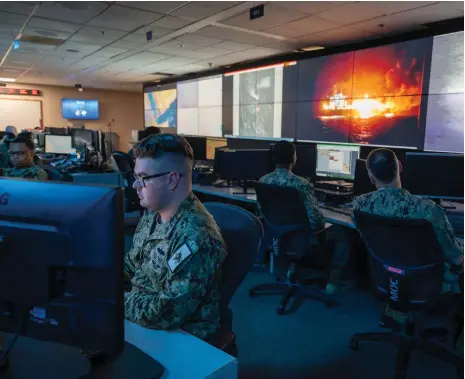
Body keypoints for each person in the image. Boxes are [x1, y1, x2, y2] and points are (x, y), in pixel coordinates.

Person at [124, 133, 227, 340]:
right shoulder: (153, 213)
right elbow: (131, 264)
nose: (135, 186)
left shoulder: (196, 237)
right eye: (135, 177)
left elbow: (167, 312)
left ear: (171, 180)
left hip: (181, 335)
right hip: (139, 316)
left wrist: (115, 300)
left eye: (142, 178)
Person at [353, 148, 463, 294]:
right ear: (400, 166)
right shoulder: (428, 209)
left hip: (384, 271)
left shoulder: (360, 205)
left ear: (370, 176)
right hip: (424, 276)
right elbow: (453, 255)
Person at [259, 141, 354, 295]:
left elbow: (261, 212)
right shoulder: (301, 184)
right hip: (301, 240)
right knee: (343, 233)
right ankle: (333, 282)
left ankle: (292, 268)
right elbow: (316, 222)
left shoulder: (263, 181)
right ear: (294, 158)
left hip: (275, 236)